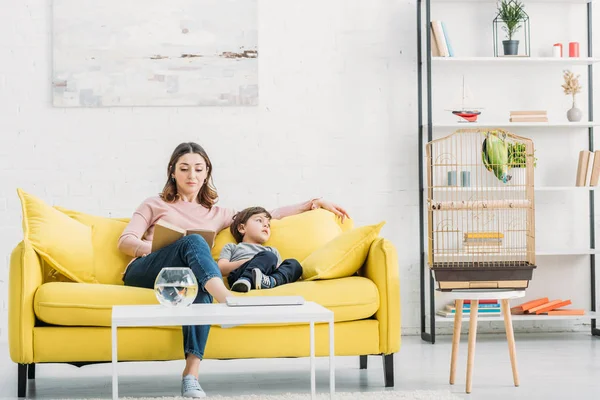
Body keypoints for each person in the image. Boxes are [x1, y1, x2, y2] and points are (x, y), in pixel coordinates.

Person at [117, 142, 349, 398]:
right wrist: (161, 246)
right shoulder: (154, 204)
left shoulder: (217, 213)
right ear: (172, 172)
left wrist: (313, 202)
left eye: (198, 169)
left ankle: (191, 376)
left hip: (182, 280)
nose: (191, 176)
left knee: (199, 285)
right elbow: (125, 241)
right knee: (193, 242)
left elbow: (267, 214)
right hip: (146, 270)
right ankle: (227, 302)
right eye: (184, 169)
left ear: (207, 174)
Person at [219, 206, 303, 293]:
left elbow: (280, 270)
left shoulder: (271, 250)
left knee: (295, 264)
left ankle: (271, 281)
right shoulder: (232, 247)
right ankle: (246, 280)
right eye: (259, 220)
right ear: (242, 228)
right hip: (239, 276)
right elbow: (221, 268)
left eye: (268, 224)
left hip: (267, 277)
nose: (266, 225)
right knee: (268, 256)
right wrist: (253, 261)